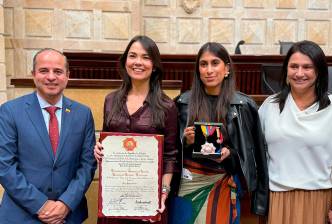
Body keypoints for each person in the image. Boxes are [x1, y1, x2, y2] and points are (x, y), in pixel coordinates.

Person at [170, 42, 268, 224]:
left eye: (215, 63)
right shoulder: (182, 104)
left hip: (224, 185)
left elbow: (256, 157)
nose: (209, 70)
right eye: (203, 64)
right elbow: (170, 154)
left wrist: (231, 154)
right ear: (198, 69)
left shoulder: (244, 106)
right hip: (187, 187)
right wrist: (186, 142)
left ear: (227, 68)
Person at [0, 48, 97, 223]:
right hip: (21, 216)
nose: (51, 77)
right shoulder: (10, 111)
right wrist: (41, 205)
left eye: (58, 71)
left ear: (67, 75)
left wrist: (65, 204)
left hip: (68, 216)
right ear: (33, 74)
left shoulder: (83, 114)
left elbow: (88, 164)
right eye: (44, 70)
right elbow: (4, 166)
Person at [258, 40, 332, 224]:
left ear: (319, 71)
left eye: (307, 67)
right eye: (294, 66)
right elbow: (255, 150)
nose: (299, 73)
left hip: (320, 200)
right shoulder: (270, 105)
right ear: (286, 71)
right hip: (277, 201)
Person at [93, 35, 178, 224]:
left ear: (154, 65)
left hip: (148, 201)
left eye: (146, 57)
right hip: (114, 201)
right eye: (133, 56)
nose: (138, 62)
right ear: (125, 62)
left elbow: (171, 156)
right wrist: (98, 149)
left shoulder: (167, 106)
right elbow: (106, 142)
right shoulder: (110, 101)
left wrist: (163, 194)